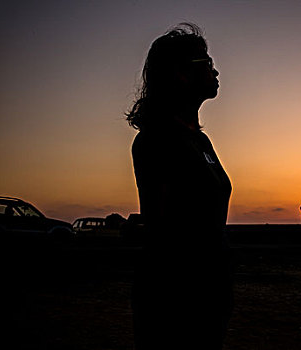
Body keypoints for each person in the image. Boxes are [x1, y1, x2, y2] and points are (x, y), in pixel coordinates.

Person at [126, 23, 233, 349]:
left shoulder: (201, 141)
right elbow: (159, 232)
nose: (215, 71)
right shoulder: (155, 140)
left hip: (211, 290)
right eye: (206, 63)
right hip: (175, 297)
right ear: (180, 75)